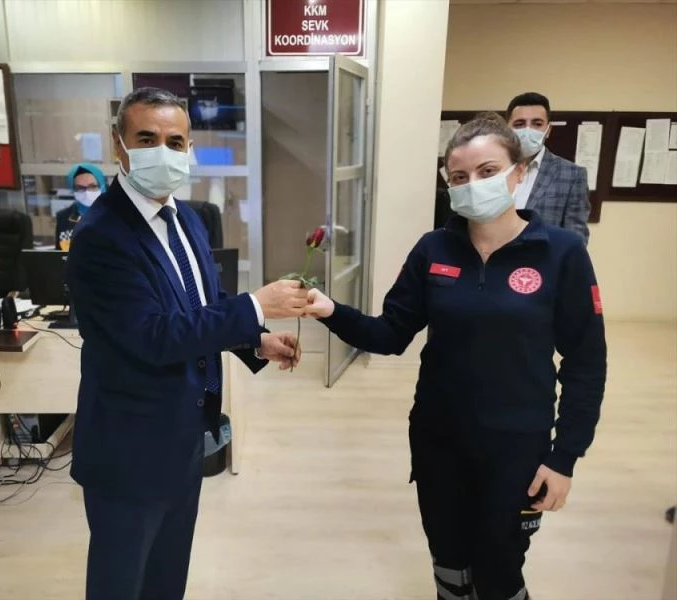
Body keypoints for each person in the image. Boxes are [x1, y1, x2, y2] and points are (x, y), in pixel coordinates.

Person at [305, 113, 607, 600]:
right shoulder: (434, 249)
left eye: (488, 172)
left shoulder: (562, 253)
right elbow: (390, 334)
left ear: (519, 172)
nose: (473, 185)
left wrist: (564, 458)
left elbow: (586, 364)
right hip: (439, 439)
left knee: (499, 566)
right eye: (459, 177)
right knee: (447, 559)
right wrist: (329, 310)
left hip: (516, 446)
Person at [66, 87, 308, 600]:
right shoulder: (101, 236)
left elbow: (202, 301)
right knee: (120, 582)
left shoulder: (187, 218)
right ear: (118, 145)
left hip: (183, 436)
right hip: (130, 449)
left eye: (175, 142)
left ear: (189, 147)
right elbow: (154, 336)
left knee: (166, 576)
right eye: (146, 139)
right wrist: (256, 305)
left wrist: (255, 340)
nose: (164, 152)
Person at [506, 92, 590, 245]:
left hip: (543, 258)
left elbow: (576, 239)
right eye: (519, 124)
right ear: (507, 129)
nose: (528, 130)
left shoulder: (572, 175)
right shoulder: (491, 170)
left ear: (548, 130)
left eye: (537, 124)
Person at [55, 162, 106, 251]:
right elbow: (58, 254)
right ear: (72, 189)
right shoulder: (63, 217)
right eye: (80, 188)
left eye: (92, 186)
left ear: (102, 186)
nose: (87, 192)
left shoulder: (116, 215)